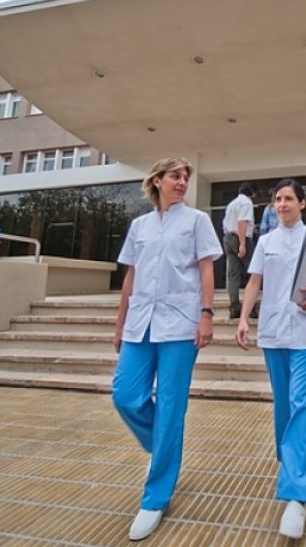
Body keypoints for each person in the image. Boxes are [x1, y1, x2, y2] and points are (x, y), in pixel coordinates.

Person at [111, 157, 223, 541]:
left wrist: (206, 314)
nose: (182, 182)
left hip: (180, 323)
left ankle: (155, 498)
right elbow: (131, 274)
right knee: (125, 396)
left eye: (186, 177)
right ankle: (163, 450)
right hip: (140, 323)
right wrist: (120, 322)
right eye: (175, 176)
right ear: (156, 180)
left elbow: (207, 268)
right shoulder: (139, 225)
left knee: (171, 407)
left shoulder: (197, 221)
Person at [236, 179, 306, 539]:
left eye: (288, 199)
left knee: (301, 402)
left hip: (305, 331)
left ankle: (296, 495)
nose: (282, 204)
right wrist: (242, 318)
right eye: (277, 200)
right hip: (272, 332)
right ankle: (292, 462)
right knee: (283, 404)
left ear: (302, 204)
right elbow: (254, 282)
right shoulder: (265, 242)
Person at [222, 181, 257, 318]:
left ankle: (234, 307)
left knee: (232, 274)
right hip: (241, 238)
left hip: (228, 237)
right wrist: (242, 244)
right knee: (253, 272)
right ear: (252, 192)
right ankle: (251, 308)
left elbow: (226, 223)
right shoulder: (246, 203)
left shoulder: (232, 204)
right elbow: (242, 222)